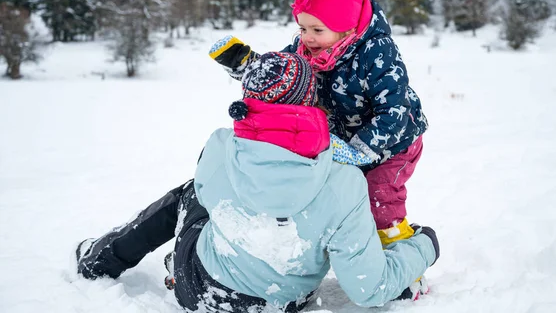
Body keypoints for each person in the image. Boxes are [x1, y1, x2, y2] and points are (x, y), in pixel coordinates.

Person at [75, 52, 439, 312]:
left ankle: (99, 260)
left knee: (190, 194)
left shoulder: (220, 147)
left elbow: (210, 192)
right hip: (284, 303)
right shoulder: (343, 182)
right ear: (312, 104)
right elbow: (367, 287)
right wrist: (424, 246)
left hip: (198, 289)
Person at [210, 0, 429, 246]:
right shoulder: (307, 48)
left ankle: (403, 260)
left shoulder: (377, 51)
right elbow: (279, 74)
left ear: (347, 28)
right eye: (302, 28)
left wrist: (360, 149)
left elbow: (394, 111)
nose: (307, 37)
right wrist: (247, 66)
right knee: (334, 195)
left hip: (394, 143)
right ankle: (348, 248)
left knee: (379, 197)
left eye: (317, 29)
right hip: (343, 142)